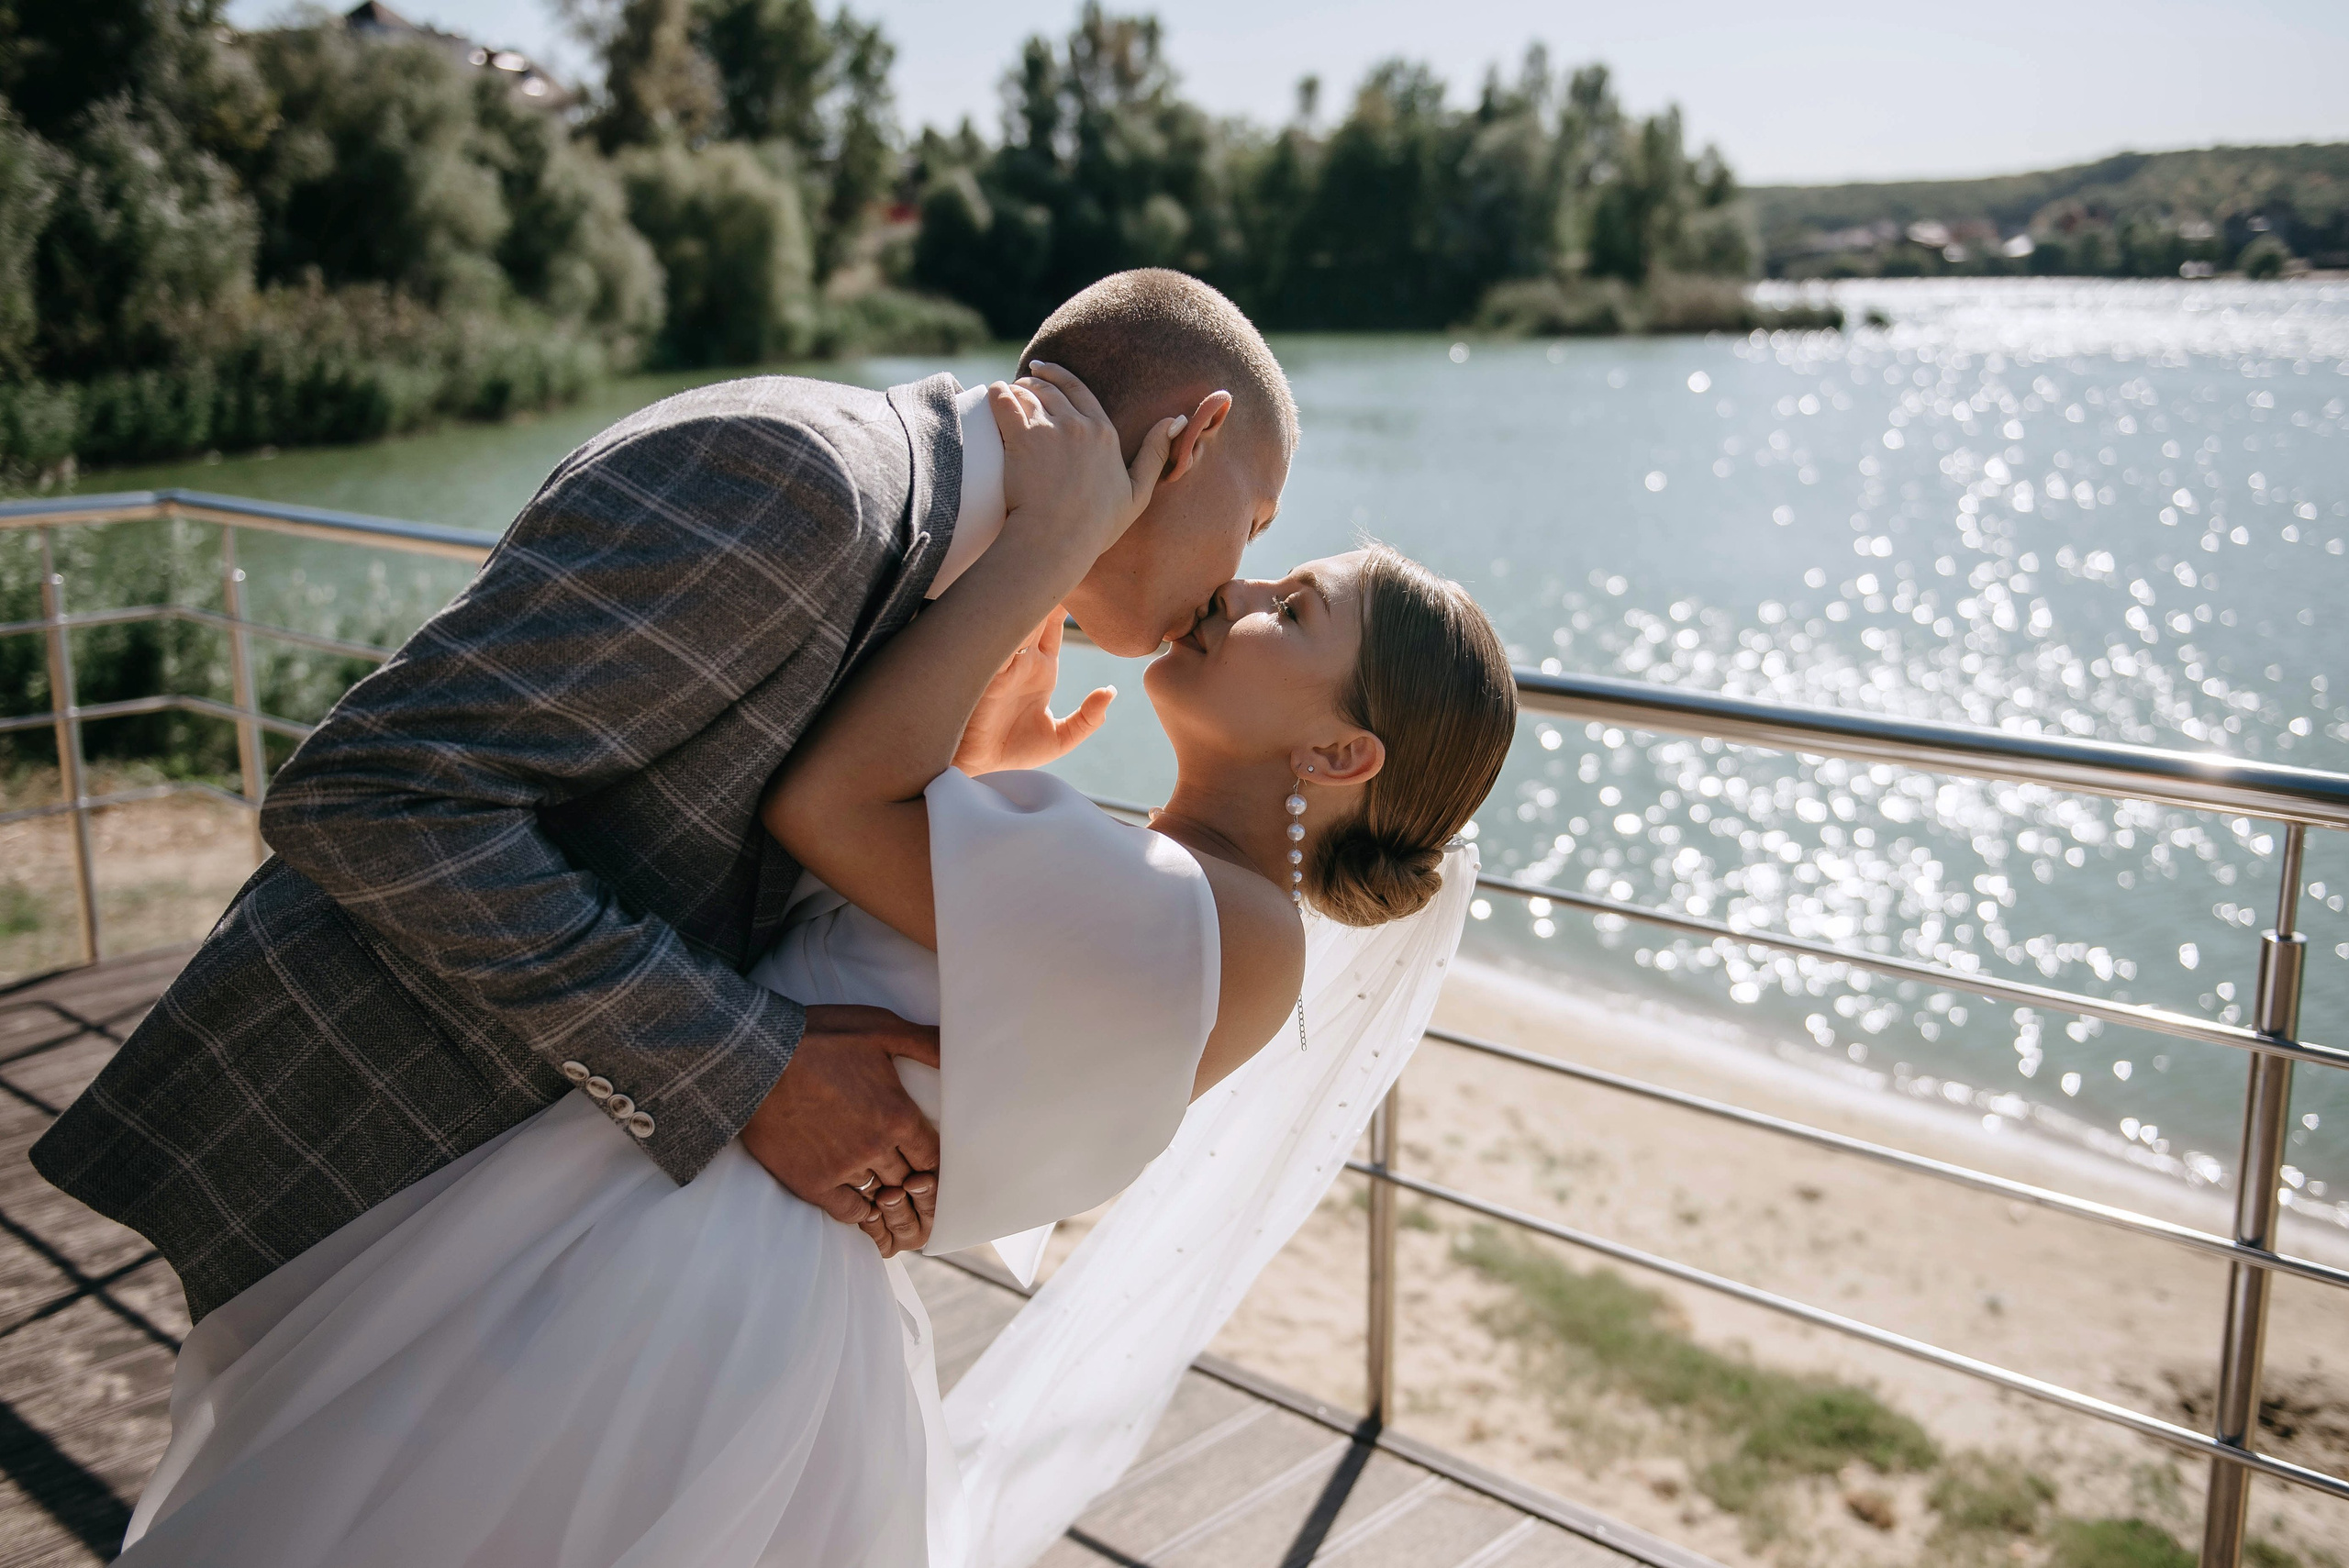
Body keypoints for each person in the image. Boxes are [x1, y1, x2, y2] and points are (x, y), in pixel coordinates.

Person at [109, 363, 1518, 1567]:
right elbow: (926, 946)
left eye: (1296, 601)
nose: (1243, 586)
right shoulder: (1178, 889)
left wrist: (1040, 549)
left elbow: (829, 814)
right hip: (694, 1213)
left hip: (698, 1289)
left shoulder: (1213, 922)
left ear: (1342, 753)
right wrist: (982, 765)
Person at [31, 269, 1297, 1321]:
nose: (1247, 573)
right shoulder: (802, 480)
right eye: (1258, 524)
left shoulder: (935, 560)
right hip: (364, 1150)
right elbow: (374, 797)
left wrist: (964, 765)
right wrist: (753, 1069)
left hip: (539, 1234)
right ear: (1192, 440)